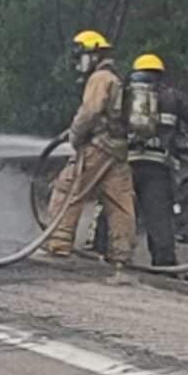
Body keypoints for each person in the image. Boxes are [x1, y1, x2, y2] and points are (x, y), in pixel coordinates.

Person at [43, 30, 137, 263]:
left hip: (97, 147)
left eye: (81, 57)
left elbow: (90, 112)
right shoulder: (116, 76)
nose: (78, 65)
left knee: (67, 189)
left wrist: (74, 135)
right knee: (120, 201)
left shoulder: (100, 78)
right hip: (117, 149)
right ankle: (121, 253)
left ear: (93, 54)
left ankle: (59, 242)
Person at [123, 53, 188, 267]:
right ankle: (164, 262)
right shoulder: (172, 97)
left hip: (125, 162)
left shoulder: (126, 95)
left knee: (117, 209)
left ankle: (106, 252)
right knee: (158, 216)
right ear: (160, 75)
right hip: (157, 165)